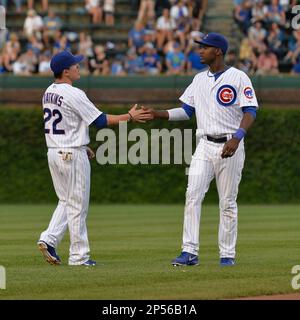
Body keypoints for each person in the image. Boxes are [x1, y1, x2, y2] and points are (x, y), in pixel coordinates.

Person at [144, 33, 258, 266]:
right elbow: (186, 111)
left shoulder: (238, 77)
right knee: (192, 195)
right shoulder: (198, 79)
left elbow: (250, 110)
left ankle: (227, 255)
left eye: (205, 47)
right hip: (204, 145)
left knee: (227, 201)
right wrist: (158, 114)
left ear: (218, 51)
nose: (200, 50)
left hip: (230, 144)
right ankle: (189, 252)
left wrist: (237, 138)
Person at [37, 50, 152, 266]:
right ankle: (79, 257)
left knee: (66, 201)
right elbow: (99, 121)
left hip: (54, 151)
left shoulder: (48, 92)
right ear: (65, 71)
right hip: (71, 154)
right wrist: (129, 116)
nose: (78, 67)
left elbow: (67, 123)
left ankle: (48, 239)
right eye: (75, 65)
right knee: (78, 205)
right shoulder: (74, 93)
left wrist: (82, 143)